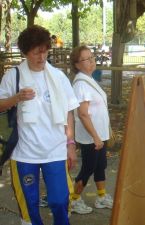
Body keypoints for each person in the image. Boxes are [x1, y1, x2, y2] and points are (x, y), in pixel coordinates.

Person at [0, 25, 79, 225]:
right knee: (30, 204)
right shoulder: (13, 76)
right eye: (36, 52)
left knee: (60, 201)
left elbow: (68, 111)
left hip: (55, 150)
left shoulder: (58, 77)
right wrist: (17, 98)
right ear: (26, 52)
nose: (42, 57)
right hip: (24, 153)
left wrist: (70, 144)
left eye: (45, 51)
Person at [69, 45, 113, 214]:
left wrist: (101, 135)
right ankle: (74, 200)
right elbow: (83, 114)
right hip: (91, 136)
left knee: (100, 165)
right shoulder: (81, 84)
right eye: (86, 59)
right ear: (77, 64)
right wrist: (95, 137)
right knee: (88, 168)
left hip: (99, 134)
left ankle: (101, 197)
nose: (92, 60)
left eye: (92, 57)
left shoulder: (89, 78)